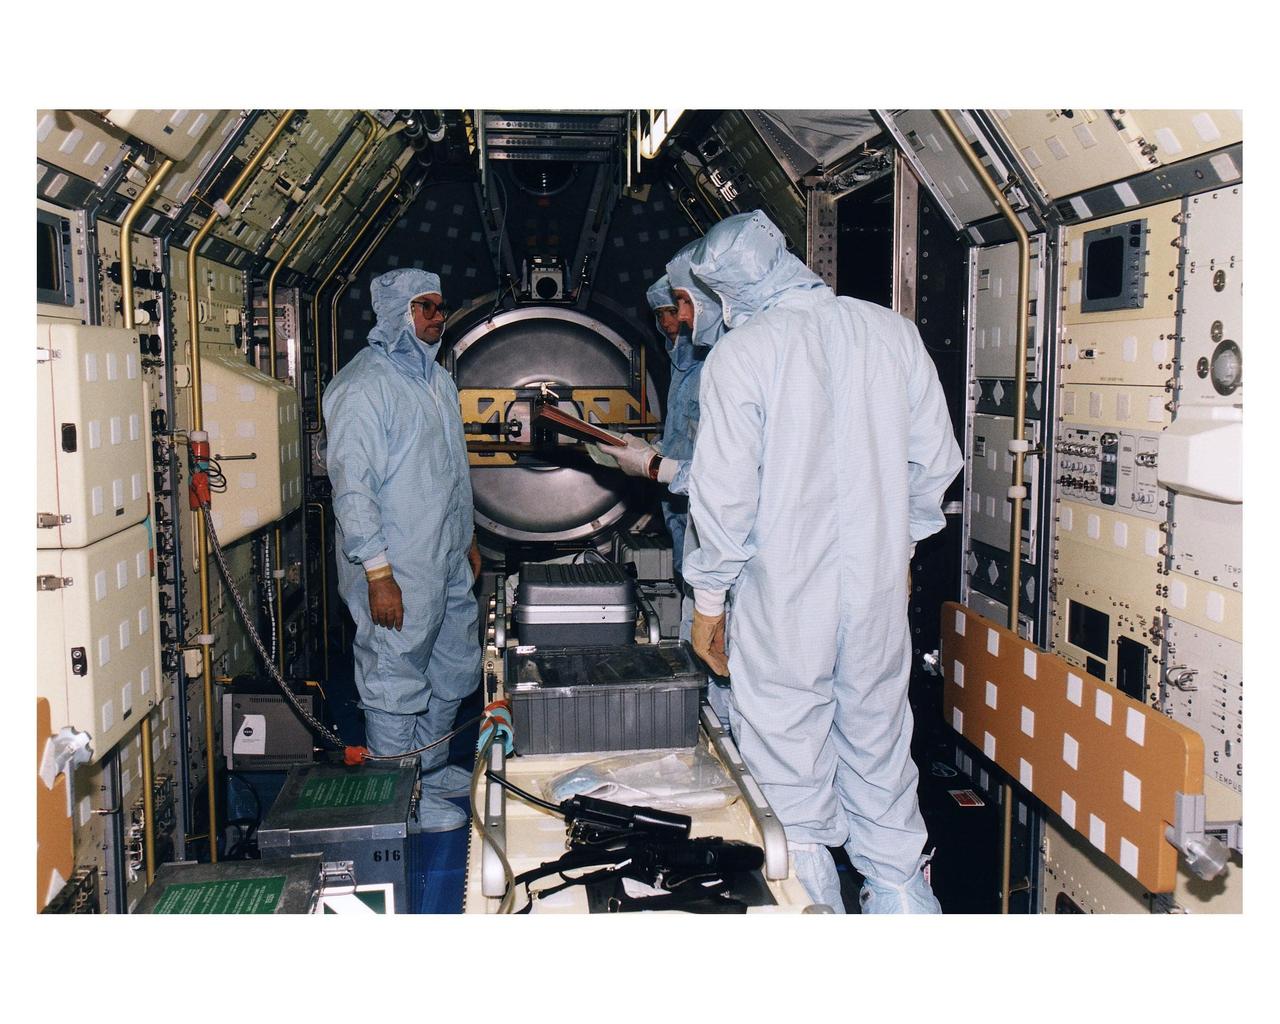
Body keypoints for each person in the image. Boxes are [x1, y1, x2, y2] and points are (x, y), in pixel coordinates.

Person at [681, 210, 963, 913]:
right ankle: (901, 901)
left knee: (789, 777)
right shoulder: (893, 334)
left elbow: (724, 497)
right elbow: (934, 464)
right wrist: (898, 545)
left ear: (725, 291)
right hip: (873, 596)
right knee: (878, 750)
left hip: (782, 598)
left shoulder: (742, 356)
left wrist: (708, 603)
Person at [324, 268, 483, 832]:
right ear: (397, 312)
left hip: (442, 558)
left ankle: (430, 770)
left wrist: (466, 540)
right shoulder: (363, 387)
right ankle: (399, 802)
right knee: (395, 679)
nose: (438, 318)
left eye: (440, 307)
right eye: (426, 307)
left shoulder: (436, 382)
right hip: (395, 566)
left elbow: (452, 474)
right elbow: (353, 487)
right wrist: (377, 572)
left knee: (454, 664)